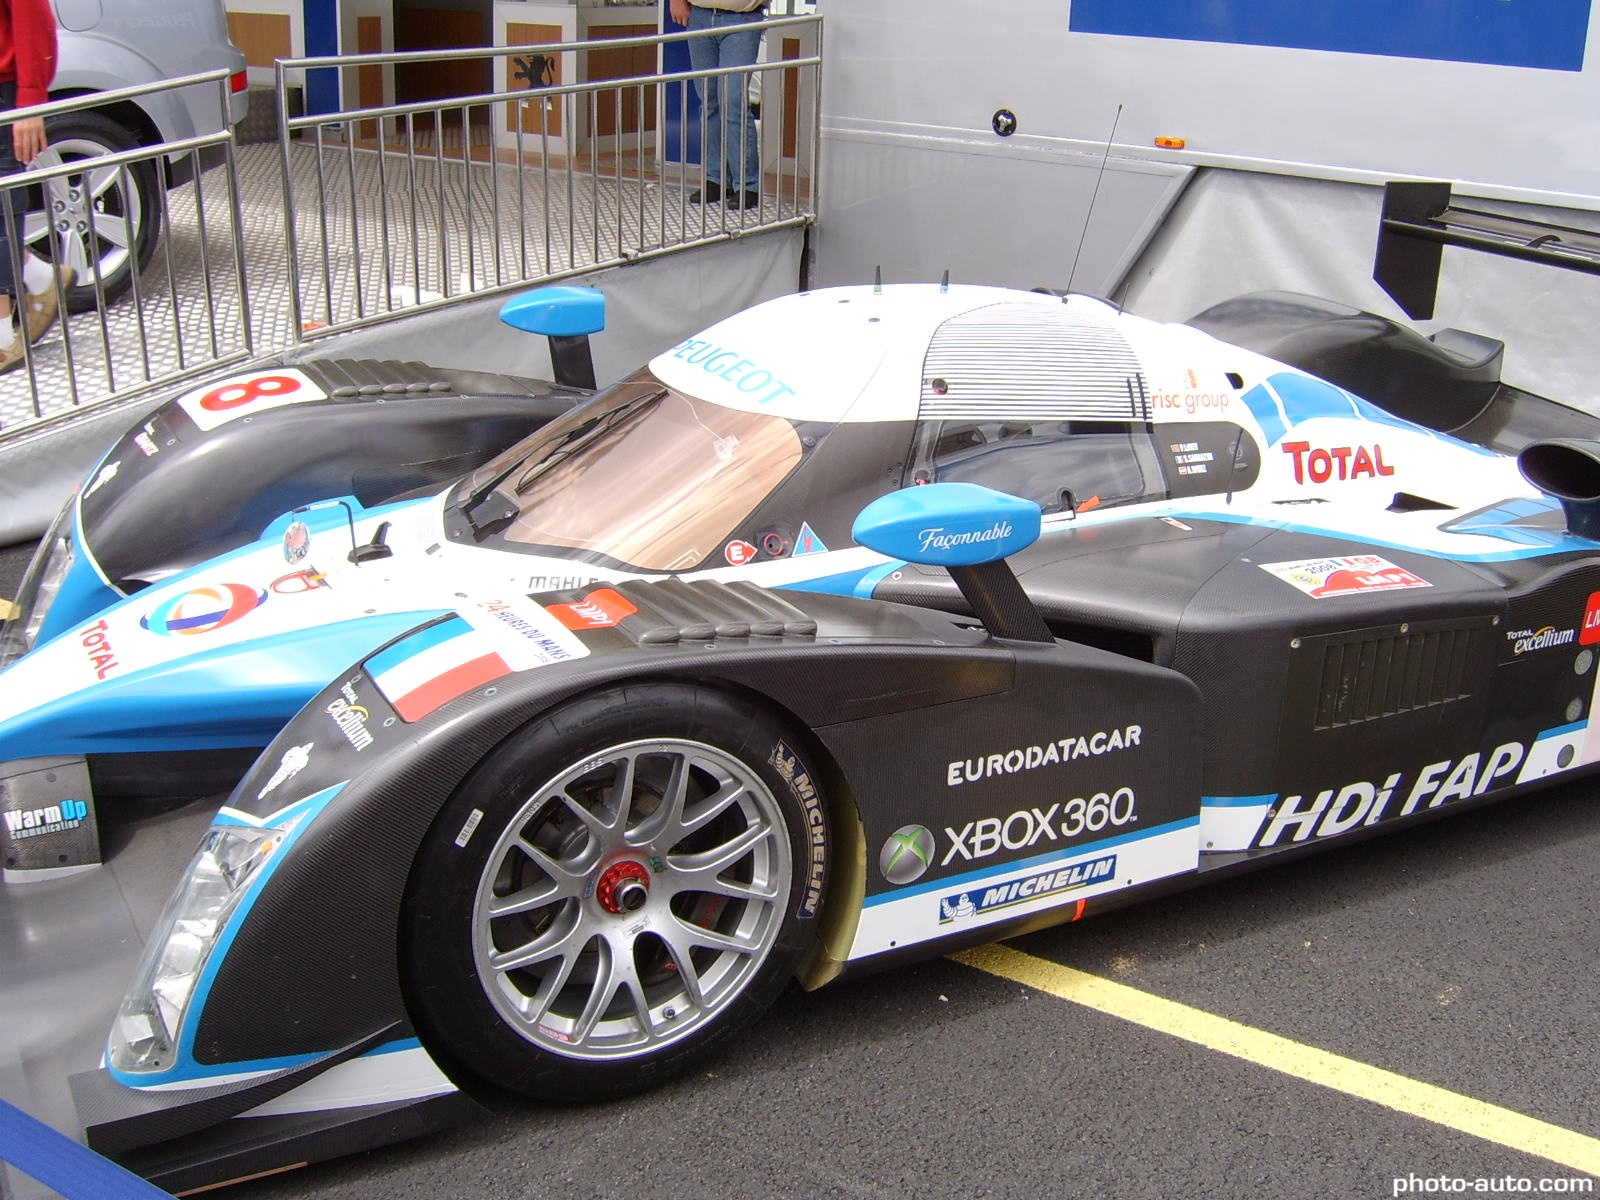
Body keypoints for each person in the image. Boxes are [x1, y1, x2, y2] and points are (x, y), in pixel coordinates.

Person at [0, 0, 72, 374]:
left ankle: (1, 340)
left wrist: (29, 101)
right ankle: (41, 278)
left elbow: (32, 15)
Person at [667, 0, 766, 211]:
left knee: (733, 101)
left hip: (742, 18)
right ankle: (716, 179)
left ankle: (747, 185)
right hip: (701, 16)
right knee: (709, 100)